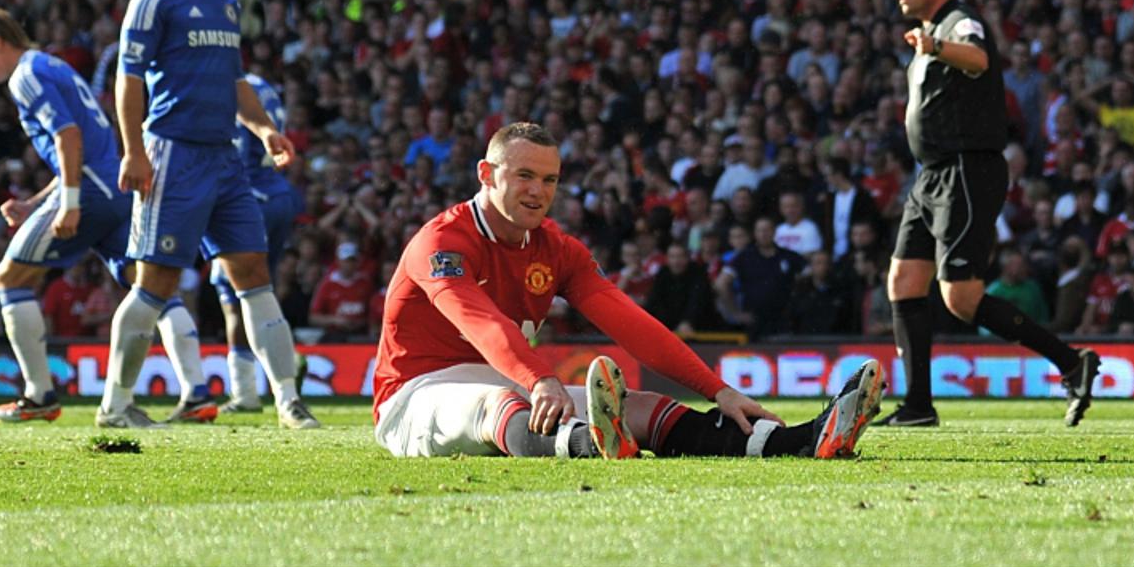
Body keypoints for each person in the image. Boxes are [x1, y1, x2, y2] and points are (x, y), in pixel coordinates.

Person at [372, 123, 884, 461]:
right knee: (498, 403)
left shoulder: (556, 248)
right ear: (486, 174)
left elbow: (631, 323)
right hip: (416, 395)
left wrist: (717, 390)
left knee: (638, 407)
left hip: (515, 380)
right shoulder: (441, 242)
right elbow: (481, 323)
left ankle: (799, 442)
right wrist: (540, 378)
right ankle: (589, 444)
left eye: (549, 180)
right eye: (523, 175)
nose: (538, 191)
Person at [106, 0, 317, 430]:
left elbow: (235, 81)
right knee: (155, 283)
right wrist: (133, 150)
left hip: (226, 160)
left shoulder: (226, 4)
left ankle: (288, 402)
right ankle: (115, 406)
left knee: (254, 271)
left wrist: (265, 128)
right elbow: (128, 79)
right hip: (173, 155)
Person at [886, 0, 1098, 429]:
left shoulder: (959, 21)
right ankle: (918, 406)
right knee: (903, 281)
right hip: (932, 174)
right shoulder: (927, 31)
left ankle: (1070, 362)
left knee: (959, 298)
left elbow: (978, 59)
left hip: (964, 168)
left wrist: (936, 46)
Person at [0, 8, 210, 424]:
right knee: (148, 286)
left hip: (90, 192)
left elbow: (68, 137)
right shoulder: (51, 66)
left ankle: (39, 395)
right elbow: (81, 145)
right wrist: (35, 202)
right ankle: (197, 393)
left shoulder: (26, 75)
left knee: (9, 278)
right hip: (113, 189)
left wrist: (70, 201)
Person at [209, 72, 302, 417]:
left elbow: (235, 144)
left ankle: (245, 391)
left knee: (235, 297)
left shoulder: (230, 87)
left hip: (247, 197)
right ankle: (288, 364)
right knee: (262, 292)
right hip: (278, 194)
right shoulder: (265, 87)